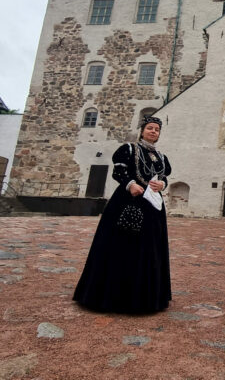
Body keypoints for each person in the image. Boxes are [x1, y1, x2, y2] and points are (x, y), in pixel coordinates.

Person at [73, 116, 172, 313]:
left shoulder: (161, 157)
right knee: (122, 244)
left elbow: (163, 178)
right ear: (142, 130)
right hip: (128, 200)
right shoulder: (128, 149)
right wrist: (131, 184)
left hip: (151, 205)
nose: (153, 132)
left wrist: (162, 184)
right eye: (150, 128)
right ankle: (112, 295)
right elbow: (118, 173)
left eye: (157, 130)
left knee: (149, 247)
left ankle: (145, 295)